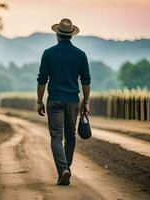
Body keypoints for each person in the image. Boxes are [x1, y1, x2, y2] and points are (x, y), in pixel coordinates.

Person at [37, 18, 91, 185]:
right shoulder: (80, 55)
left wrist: (39, 101)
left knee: (56, 136)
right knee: (70, 136)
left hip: (55, 101)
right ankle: (66, 167)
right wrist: (86, 101)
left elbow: (42, 80)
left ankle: (63, 170)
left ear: (57, 34)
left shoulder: (48, 53)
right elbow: (86, 81)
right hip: (73, 101)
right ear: (71, 35)